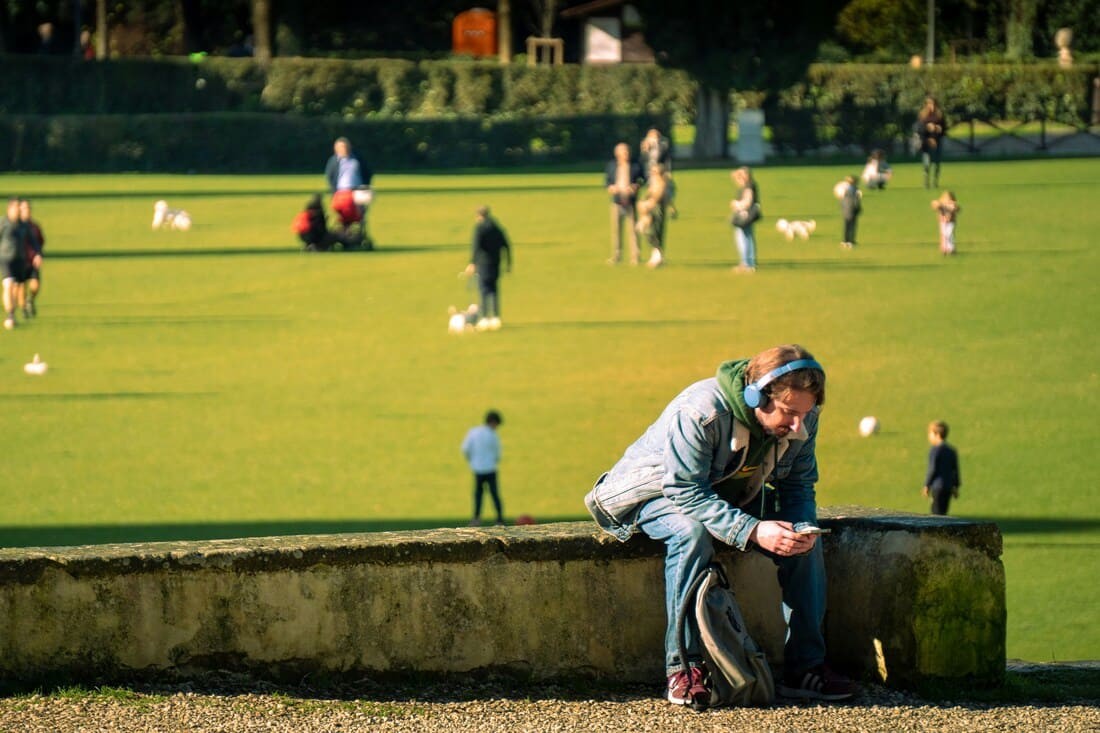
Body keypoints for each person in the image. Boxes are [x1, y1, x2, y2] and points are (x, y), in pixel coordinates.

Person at [584, 345, 857, 708]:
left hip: (724, 497)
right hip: (650, 494)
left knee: (803, 538)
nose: (797, 426)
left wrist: (801, 528)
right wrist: (753, 530)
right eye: (790, 413)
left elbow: (798, 486)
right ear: (756, 396)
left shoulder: (802, 417)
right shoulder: (701, 411)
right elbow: (683, 490)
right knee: (690, 534)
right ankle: (682, 668)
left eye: (805, 414)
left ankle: (805, 667)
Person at [463, 206, 512, 331]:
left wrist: (472, 263)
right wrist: (508, 264)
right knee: (494, 290)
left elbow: (476, 246)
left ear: (479, 216)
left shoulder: (479, 229)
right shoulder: (497, 227)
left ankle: (484, 317)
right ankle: (496, 317)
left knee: (483, 290)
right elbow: (506, 245)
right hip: (495, 263)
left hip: (483, 264)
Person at [324, 137, 374, 249]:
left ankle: (357, 237)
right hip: (341, 193)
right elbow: (329, 177)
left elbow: (367, 172)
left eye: (345, 147)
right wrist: (334, 191)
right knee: (343, 215)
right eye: (341, 147)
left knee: (359, 215)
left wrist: (365, 187)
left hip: (357, 191)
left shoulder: (357, 159)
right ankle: (344, 236)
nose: (344, 149)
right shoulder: (334, 161)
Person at [462, 410, 505, 526]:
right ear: (493, 422)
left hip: (477, 469)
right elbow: (497, 453)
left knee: (478, 495)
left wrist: (472, 461)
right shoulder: (493, 435)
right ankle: (499, 519)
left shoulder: (473, 432)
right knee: (494, 494)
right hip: (490, 469)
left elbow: (465, 448)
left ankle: (476, 518)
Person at [604, 142, 644, 265]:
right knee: (617, 230)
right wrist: (610, 188)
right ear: (617, 154)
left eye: (627, 151)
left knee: (633, 229)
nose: (626, 153)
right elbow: (607, 182)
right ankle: (617, 255)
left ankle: (635, 256)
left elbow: (643, 179)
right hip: (617, 202)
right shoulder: (611, 166)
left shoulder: (635, 166)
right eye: (623, 151)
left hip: (630, 202)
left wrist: (635, 186)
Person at [922, 420, 961, 516]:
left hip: (937, 487)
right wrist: (955, 486)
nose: (929, 436)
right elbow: (955, 470)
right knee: (943, 513)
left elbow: (932, 469)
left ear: (937, 434)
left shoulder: (935, 450)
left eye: (930, 433)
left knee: (936, 514)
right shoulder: (952, 451)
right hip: (948, 487)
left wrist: (927, 485)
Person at [1, 198, 28, 330]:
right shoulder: (3, 223)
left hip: (20, 259)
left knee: (18, 288)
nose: (19, 210)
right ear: (10, 209)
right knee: (8, 285)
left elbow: (32, 241)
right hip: (5, 259)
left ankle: (12, 313)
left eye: (20, 208)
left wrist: (38, 254)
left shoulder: (23, 225)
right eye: (16, 207)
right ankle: (9, 315)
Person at [636, 163, 669, 268]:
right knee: (647, 233)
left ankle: (657, 256)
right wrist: (642, 203)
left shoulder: (662, 184)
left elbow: (656, 199)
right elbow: (647, 196)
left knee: (654, 233)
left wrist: (647, 205)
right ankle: (657, 255)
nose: (652, 174)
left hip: (657, 211)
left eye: (655, 172)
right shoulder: (653, 184)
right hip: (649, 212)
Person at [640, 127, 677, 218]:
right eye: (651, 135)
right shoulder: (645, 145)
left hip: (660, 172)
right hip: (649, 172)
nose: (653, 138)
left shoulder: (663, 146)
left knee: (662, 191)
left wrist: (668, 171)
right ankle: (668, 208)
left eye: (655, 135)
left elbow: (667, 160)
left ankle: (663, 208)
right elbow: (642, 160)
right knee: (653, 191)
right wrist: (645, 150)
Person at [729, 167, 760, 272]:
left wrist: (736, 204)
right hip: (747, 215)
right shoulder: (749, 185)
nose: (737, 181)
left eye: (738, 178)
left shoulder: (748, 187)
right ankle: (748, 263)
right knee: (747, 238)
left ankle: (747, 264)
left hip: (745, 216)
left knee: (744, 239)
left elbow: (747, 202)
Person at [17, 199, 44, 318]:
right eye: (24, 209)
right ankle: (23, 309)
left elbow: (41, 242)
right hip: (20, 261)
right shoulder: (15, 227)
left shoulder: (34, 227)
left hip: (32, 260)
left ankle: (30, 300)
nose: (27, 211)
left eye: (28, 208)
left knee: (35, 285)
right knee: (21, 287)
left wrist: (38, 255)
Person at [916, 97, 948, 189]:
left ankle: (935, 182)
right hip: (926, 142)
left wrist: (939, 129)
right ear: (926, 105)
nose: (932, 106)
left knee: (937, 163)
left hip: (937, 142)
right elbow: (919, 129)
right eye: (930, 104)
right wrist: (927, 128)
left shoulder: (939, 116)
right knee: (927, 163)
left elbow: (944, 129)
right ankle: (926, 182)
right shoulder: (922, 116)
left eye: (933, 104)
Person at [931, 190, 961, 255]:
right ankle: (944, 248)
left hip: (951, 222)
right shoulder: (941, 204)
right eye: (946, 198)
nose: (947, 199)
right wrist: (939, 204)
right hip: (943, 222)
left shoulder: (952, 204)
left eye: (949, 198)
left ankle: (951, 248)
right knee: (944, 235)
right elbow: (934, 205)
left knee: (949, 234)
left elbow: (958, 209)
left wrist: (953, 207)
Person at [839, 176, 862, 249]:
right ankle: (851, 241)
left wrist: (843, 209)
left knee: (846, 226)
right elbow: (856, 201)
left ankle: (845, 241)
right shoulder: (855, 190)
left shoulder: (845, 190)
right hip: (852, 210)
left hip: (845, 210)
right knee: (852, 226)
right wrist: (858, 209)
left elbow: (841, 201)